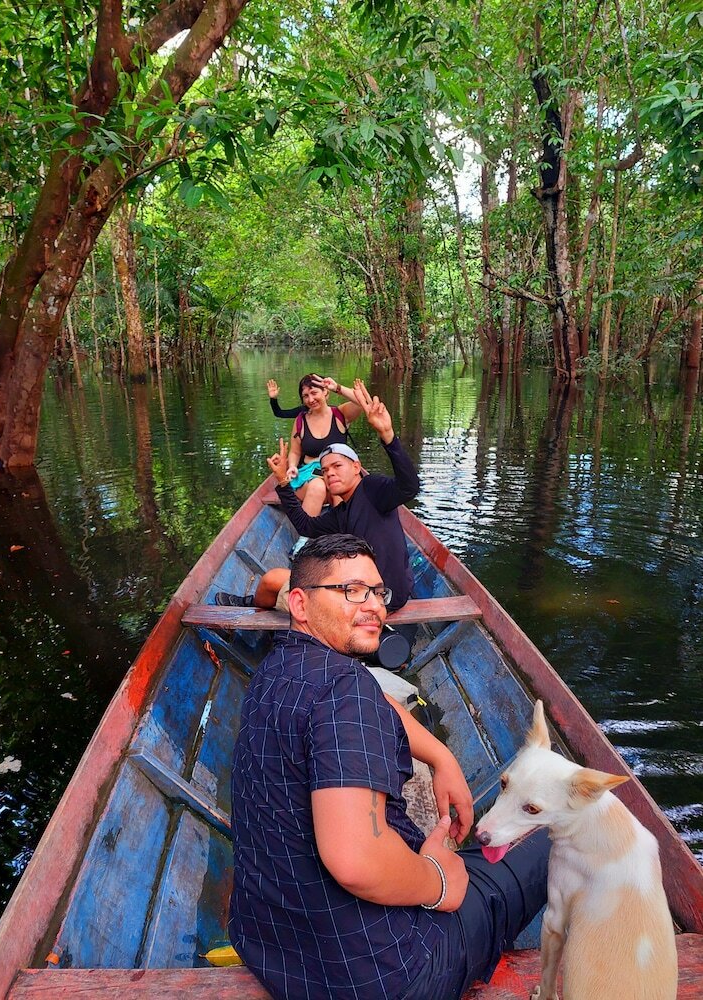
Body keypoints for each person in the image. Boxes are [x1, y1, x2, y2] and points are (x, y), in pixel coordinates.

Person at [228, 534, 550, 1000]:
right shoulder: (346, 693)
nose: (373, 606)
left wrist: (441, 756)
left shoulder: (278, 669)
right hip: (392, 974)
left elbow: (374, 699)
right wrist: (441, 882)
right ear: (299, 603)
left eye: (378, 592)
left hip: (274, 955)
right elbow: (356, 862)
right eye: (350, 591)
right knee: (560, 829)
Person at [215, 380, 419, 615]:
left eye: (337, 466)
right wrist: (283, 482)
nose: (330, 473)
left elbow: (409, 487)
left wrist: (388, 435)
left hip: (379, 598)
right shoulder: (341, 513)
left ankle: (252, 605)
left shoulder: (373, 489)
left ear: (356, 467)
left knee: (271, 580)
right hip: (377, 593)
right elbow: (305, 525)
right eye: (325, 470)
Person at [280, 374, 362, 516]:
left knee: (339, 487)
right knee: (319, 486)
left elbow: (362, 402)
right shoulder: (301, 420)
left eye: (314, 393)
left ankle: (345, 532)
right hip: (309, 476)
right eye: (305, 396)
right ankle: (305, 536)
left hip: (337, 473)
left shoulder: (340, 414)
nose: (310, 400)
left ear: (325, 392)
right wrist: (292, 466)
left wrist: (337, 387)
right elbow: (294, 452)